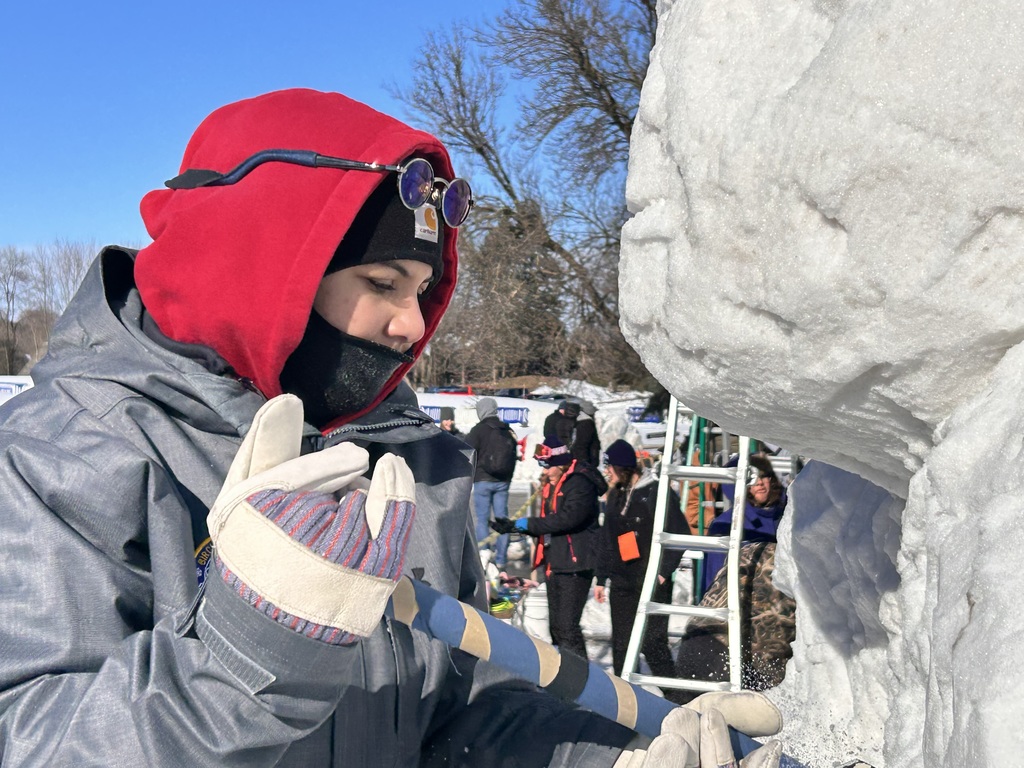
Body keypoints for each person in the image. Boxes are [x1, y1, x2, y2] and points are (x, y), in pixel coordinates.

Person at [0, 88, 782, 768]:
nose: (413, 325)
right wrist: (243, 658)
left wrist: (609, 757)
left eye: (422, 289)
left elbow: (464, 720)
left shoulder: (411, 459)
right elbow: (31, 743)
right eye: (381, 283)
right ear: (262, 264)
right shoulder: (59, 456)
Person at [673, 455, 797, 702]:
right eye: (751, 480)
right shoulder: (725, 525)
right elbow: (713, 581)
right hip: (733, 637)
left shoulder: (790, 516)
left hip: (775, 633)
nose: (760, 484)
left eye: (763, 476)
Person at [492, 435, 605, 660]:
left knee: (567, 627)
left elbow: (567, 519)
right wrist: (514, 526)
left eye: (547, 465)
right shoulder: (555, 482)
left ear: (560, 463)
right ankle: (567, 680)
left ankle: (585, 683)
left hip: (575, 562)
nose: (544, 471)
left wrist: (524, 525)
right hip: (557, 559)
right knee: (557, 628)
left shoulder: (580, 483)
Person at [594, 439, 689, 689]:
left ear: (623, 468)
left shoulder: (656, 492)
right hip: (623, 579)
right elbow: (607, 539)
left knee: (652, 643)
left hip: (651, 580)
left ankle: (676, 702)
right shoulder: (615, 494)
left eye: (610, 468)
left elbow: (679, 532)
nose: (607, 473)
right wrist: (601, 578)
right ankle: (624, 701)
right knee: (623, 644)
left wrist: (664, 571)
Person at [466, 396, 517, 568]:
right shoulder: (506, 429)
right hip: (503, 481)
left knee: (482, 519)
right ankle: (501, 559)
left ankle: (484, 556)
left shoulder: (478, 430)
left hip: (482, 480)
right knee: (502, 518)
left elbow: (467, 451)